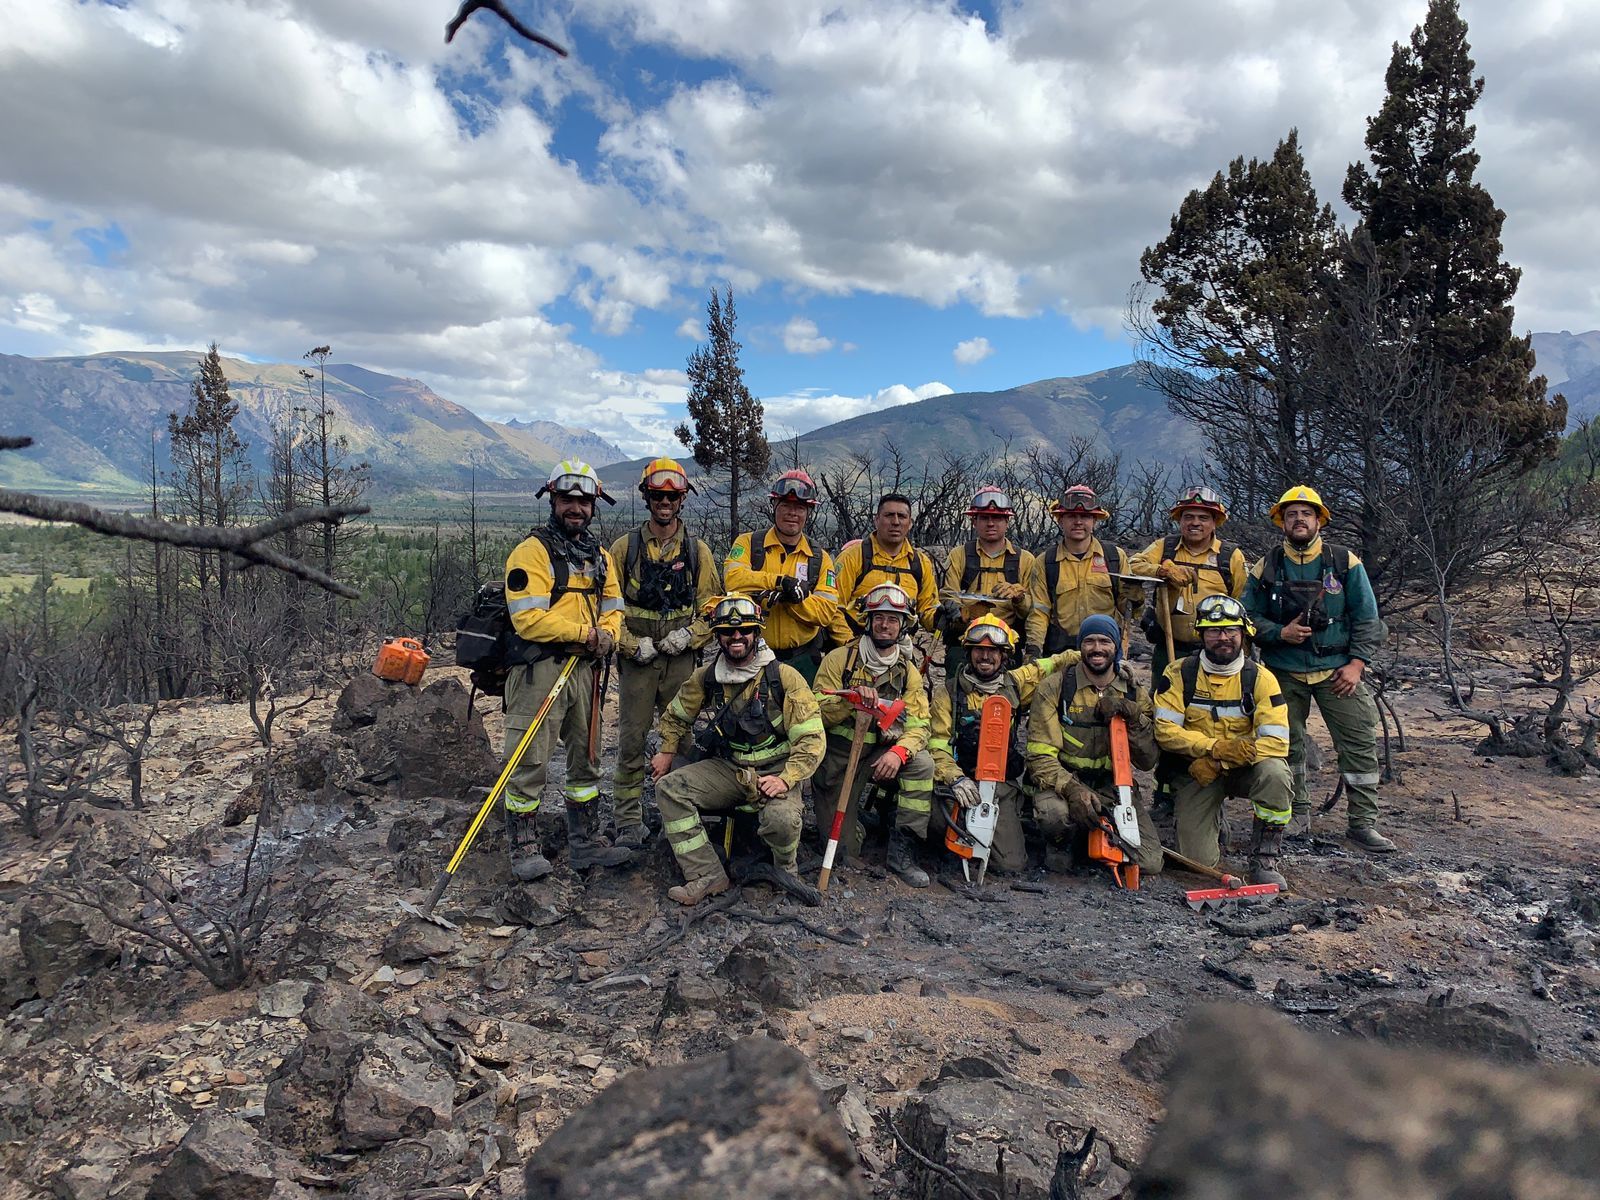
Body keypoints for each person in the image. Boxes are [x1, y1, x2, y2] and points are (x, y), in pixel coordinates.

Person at [1242, 485, 1394, 851]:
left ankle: (1362, 824)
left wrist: (1357, 664)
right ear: (1282, 521)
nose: (1298, 520)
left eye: (1305, 514)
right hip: (1282, 672)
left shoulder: (1345, 563)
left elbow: (1368, 618)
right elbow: (1246, 617)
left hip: (1339, 671)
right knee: (1285, 745)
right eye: (1291, 514)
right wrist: (1281, 633)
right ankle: (1297, 815)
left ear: (1319, 520)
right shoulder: (1268, 565)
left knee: (1358, 744)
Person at [501, 460, 633, 880]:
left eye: (583, 501)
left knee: (587, 757)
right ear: (552, 500)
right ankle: (523, 846)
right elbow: (528, 619)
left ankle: (585, 842)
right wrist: (584, 633)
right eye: (567, 500)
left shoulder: (600, 557)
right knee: (529, 758)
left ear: (594, 505)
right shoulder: (532, 552)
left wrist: (608, 634)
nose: (575, 508)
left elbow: (614, 608)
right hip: (541, 668)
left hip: (586, 671)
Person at [650, 595, 825, 906]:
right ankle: (706, 874)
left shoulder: (782, 677)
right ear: (718, 636)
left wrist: (786, 778)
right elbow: (676, 714)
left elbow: (811, 741)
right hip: (729, 769)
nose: (736, 637)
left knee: (783, 821)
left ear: (756, 633)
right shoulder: (707, 677)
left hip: (775, 772)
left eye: (744, 630)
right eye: (728, 632)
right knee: (670, 789)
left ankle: (786, 870)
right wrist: (666, 750)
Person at [607, 457, 721, 849]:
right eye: (658, 495)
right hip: (638, 660)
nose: (665, 501)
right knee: (632, 739)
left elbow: (712, 608)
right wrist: (626, 643)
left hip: (680, 662)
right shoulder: (625, 549)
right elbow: (607, 608)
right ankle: (627, 821)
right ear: (647, 497)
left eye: (672, 495)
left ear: (682, 498)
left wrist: (690, 635)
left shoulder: (696, 551)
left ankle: (689, 812)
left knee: (684, 738)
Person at [1153, 595, 1293, 887]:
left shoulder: (1261, 679)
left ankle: (1265, 858)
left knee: (1276, 773)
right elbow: (1165, 731)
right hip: (1198, 773)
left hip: (1244, 770)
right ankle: (1213, 820)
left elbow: (1278, 743)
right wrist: (1212, 748)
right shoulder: (1179, 673)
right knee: (1197, 863)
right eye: (1214, 631)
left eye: (1231, 630)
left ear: (1244, 634)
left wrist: (1221, 760)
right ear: (1201, 635)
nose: (1223, 638)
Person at [1130, 485, 1249, 814]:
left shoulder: (1229, 558)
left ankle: (1210, 785)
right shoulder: (1165, 548)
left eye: (1202, 517)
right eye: (1188, 517)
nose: (1194, 523)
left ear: (1215, 522)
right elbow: (1134, 564)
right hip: (1170, 650)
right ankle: (1165, 789)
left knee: (1211, 718)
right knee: (1166, 718)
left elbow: (1243, 603)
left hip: (1215, 654)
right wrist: (1162, 570)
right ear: (1179, 520)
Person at [812, 583, 937, 887]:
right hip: (840, 759)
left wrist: (899, 752)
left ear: (903, 626)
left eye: (893, 619)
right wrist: (848, 700)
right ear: (868, 621)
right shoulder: (840, 660)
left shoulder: (908, 672)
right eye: (879, 617)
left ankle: (902, 849)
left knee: (921, 764)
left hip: (880, 755)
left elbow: (920, 724)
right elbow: (813, 709)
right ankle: (861, 824)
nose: (885, 625)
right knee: (843, 851)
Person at [1025, 614, 1164, 875]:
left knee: (1149, 862)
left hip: (1113, 787)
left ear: (1116, 647)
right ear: (1080, 646)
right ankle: (1062, 843)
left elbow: (1147, 761)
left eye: (1104, 641)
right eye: (1089, 641)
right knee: (1054, 816)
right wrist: (1072, 789)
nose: (1097, 648)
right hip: (1065, 784)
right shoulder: (1056, 687)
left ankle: (1095, 836)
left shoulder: (1133, 691)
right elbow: (1039, 757)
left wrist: (1132, 717)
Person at [929, 615, 1065, 876]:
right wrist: (955, 779)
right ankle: (952, 837)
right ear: (968, 652)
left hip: (1001, 784)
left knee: (1010, 865)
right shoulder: (948, 692)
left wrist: (1104, 658)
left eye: (993, 651)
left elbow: (1053, 663)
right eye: (979, 649)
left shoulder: (1015, 684)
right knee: (934, 821)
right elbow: (937, 746)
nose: (985, 656)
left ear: (1004, 656)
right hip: (959, 782)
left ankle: (997, 825)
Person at [723, 468, 840, 683]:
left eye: (799, 507)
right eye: (786, 505)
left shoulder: (820, 558)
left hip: (804, 660)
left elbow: (826, 611)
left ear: (808, 512)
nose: (792, 513)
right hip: (753, 658)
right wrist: (779, 583)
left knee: (805, 716)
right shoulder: (748, 544)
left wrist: (793, 602)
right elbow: (733, 579)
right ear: (774, 506)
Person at [1026, 485, 1141, 658]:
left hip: (1104, 653)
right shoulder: (1045, 562)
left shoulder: (1115, 557)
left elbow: (1128, 610)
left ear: (1094, 521)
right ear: (1060, 520)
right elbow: (1039, 612)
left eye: (1085, 516)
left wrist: (1136, 599)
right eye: (1071, 516)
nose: (1078, 522)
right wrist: (1034, 650)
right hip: (1061, 652)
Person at [940, 485, 1035, 677]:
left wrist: (1019, 599)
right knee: (957, 690)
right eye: (984, 517)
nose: (991, 523)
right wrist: (962, 613)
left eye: (997, 518)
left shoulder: (1025, 560)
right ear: (974, 521)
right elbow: (947, 594)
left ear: (1007, 521)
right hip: (965, 642)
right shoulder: (959, 556)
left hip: (1006, 644)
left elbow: (1032, 612)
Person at [828, 494, 941, 647]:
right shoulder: (852, 557)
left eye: (902, 516)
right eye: (889, 515)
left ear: (910, 523)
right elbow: (834, 607)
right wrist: (851, 645)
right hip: (854, 645)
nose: (895, 522)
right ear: (877, 520)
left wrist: (943, 618)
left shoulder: (920, 563)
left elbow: (927, 609)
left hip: (900, 649)